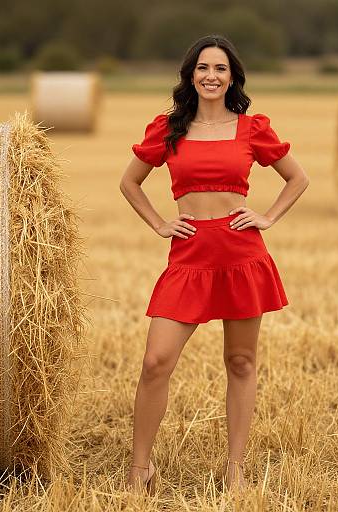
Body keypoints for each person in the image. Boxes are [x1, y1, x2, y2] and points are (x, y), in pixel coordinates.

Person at [119, 34, 309, 495]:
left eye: (220, 69)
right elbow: (130, 183)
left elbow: (297, 178)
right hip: (188, 256)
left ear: (232, 77)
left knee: (241, 361)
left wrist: (268, 215)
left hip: (242, 254)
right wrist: (160, 224)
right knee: (155, 361)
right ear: (190, 75)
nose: (210, 76)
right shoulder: (169, 130)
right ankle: (139, 468)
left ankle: (235, 467)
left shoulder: (251, 128)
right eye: (202, 68)